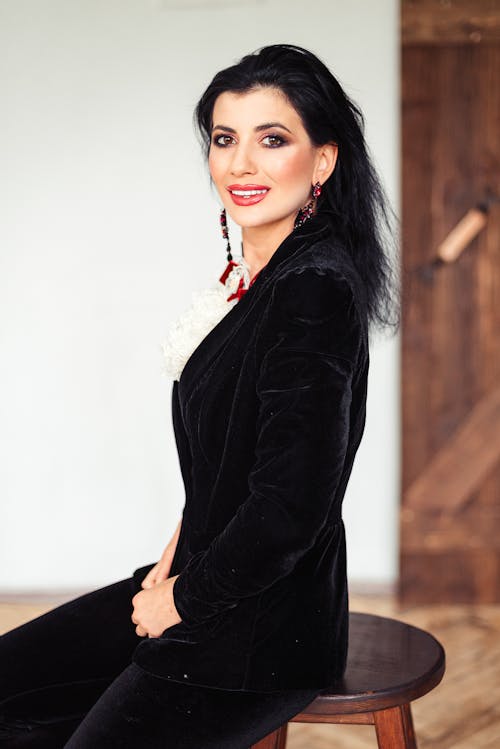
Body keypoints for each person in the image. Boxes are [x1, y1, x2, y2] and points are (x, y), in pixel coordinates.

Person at [0, 43, 399, 748]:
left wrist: (180, 599)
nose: (240, 164)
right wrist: (172, 555)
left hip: (258, 635)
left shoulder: (313, 289)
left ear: (323, 161)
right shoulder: (265, 276)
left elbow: (289, 507)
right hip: (208, 579)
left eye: (272, 139)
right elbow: (235, 456)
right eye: (224, 139)